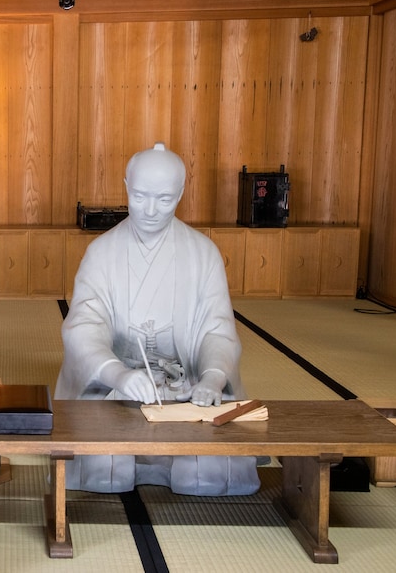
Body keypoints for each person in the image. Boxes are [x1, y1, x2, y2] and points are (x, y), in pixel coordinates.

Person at [55, 142, 259, 496]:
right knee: (107, 469)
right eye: (139, 196)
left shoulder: (203, 254)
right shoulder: (101, 253)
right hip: (115, 390)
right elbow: (84, 327)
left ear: (180, 194)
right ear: (126, 187)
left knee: (204, 474)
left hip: (187, 387)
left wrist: (212, 378)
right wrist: (117, 373)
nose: (150, 210)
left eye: (164, 199)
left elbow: (217, 329)